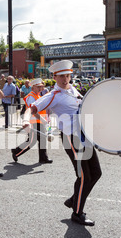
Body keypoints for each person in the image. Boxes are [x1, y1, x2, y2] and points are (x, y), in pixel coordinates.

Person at [23, 60, 101, 226]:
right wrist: (26, 121)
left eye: (67, 76)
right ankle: (77, 213)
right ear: (55, 77)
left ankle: (74, 199)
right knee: (84, 176)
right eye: (61, 76)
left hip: (85, 136)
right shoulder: (53, 96)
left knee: (96, 172)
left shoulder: (73, 90)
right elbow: (31, 108)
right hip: (71, 137)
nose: (65, 79)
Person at [11, 78, 52, 164]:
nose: (40, 89)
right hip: (33, 122)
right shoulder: (31, 97)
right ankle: (16, 152)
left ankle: (43, 158)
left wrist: (45, 120)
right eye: (38, 87)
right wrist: (44, 120)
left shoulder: (38, 96)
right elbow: (32, 111)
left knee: (42, 139)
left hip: (39, 121)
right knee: (32, 141)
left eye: (41, 87)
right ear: (33, 88)